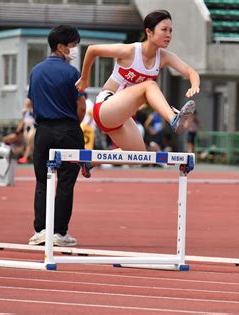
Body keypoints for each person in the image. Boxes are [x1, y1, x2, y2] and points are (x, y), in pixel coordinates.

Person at [75, 9, 199, 175]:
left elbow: (190, 71)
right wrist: (84, 79)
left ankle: (90, 161)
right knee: (150, 85)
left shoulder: (164, 57)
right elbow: (92, 50)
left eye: (170, 31)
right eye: (164, 30)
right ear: (149, 31)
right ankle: (173, 118)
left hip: (122, 117)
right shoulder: (130, 51)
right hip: (105, 107)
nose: (168, 35)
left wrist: (194, 84)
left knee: (138, 156)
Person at [27, 25, 86, 247]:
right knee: (65, 182)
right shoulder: (72, 73)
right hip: (68, 129)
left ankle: (41, 230)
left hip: (42, 131)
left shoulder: (36, 71)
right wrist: (72, 126)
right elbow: (81, 107)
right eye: (73, 46)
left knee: (42, 181)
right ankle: (59, 233)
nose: (75, 50)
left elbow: (32, 101)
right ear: (61, 47)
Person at [18, 99, 36, 164]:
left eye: (28, 101)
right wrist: (19, 128)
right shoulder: (24, 111)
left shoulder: (34, 110)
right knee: (28, 143)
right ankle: (30, 156)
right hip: (26, 127)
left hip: (32, 127)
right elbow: (23, 120)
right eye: (26, 101)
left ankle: (25, 157)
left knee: (29, 141)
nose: (27, 102)